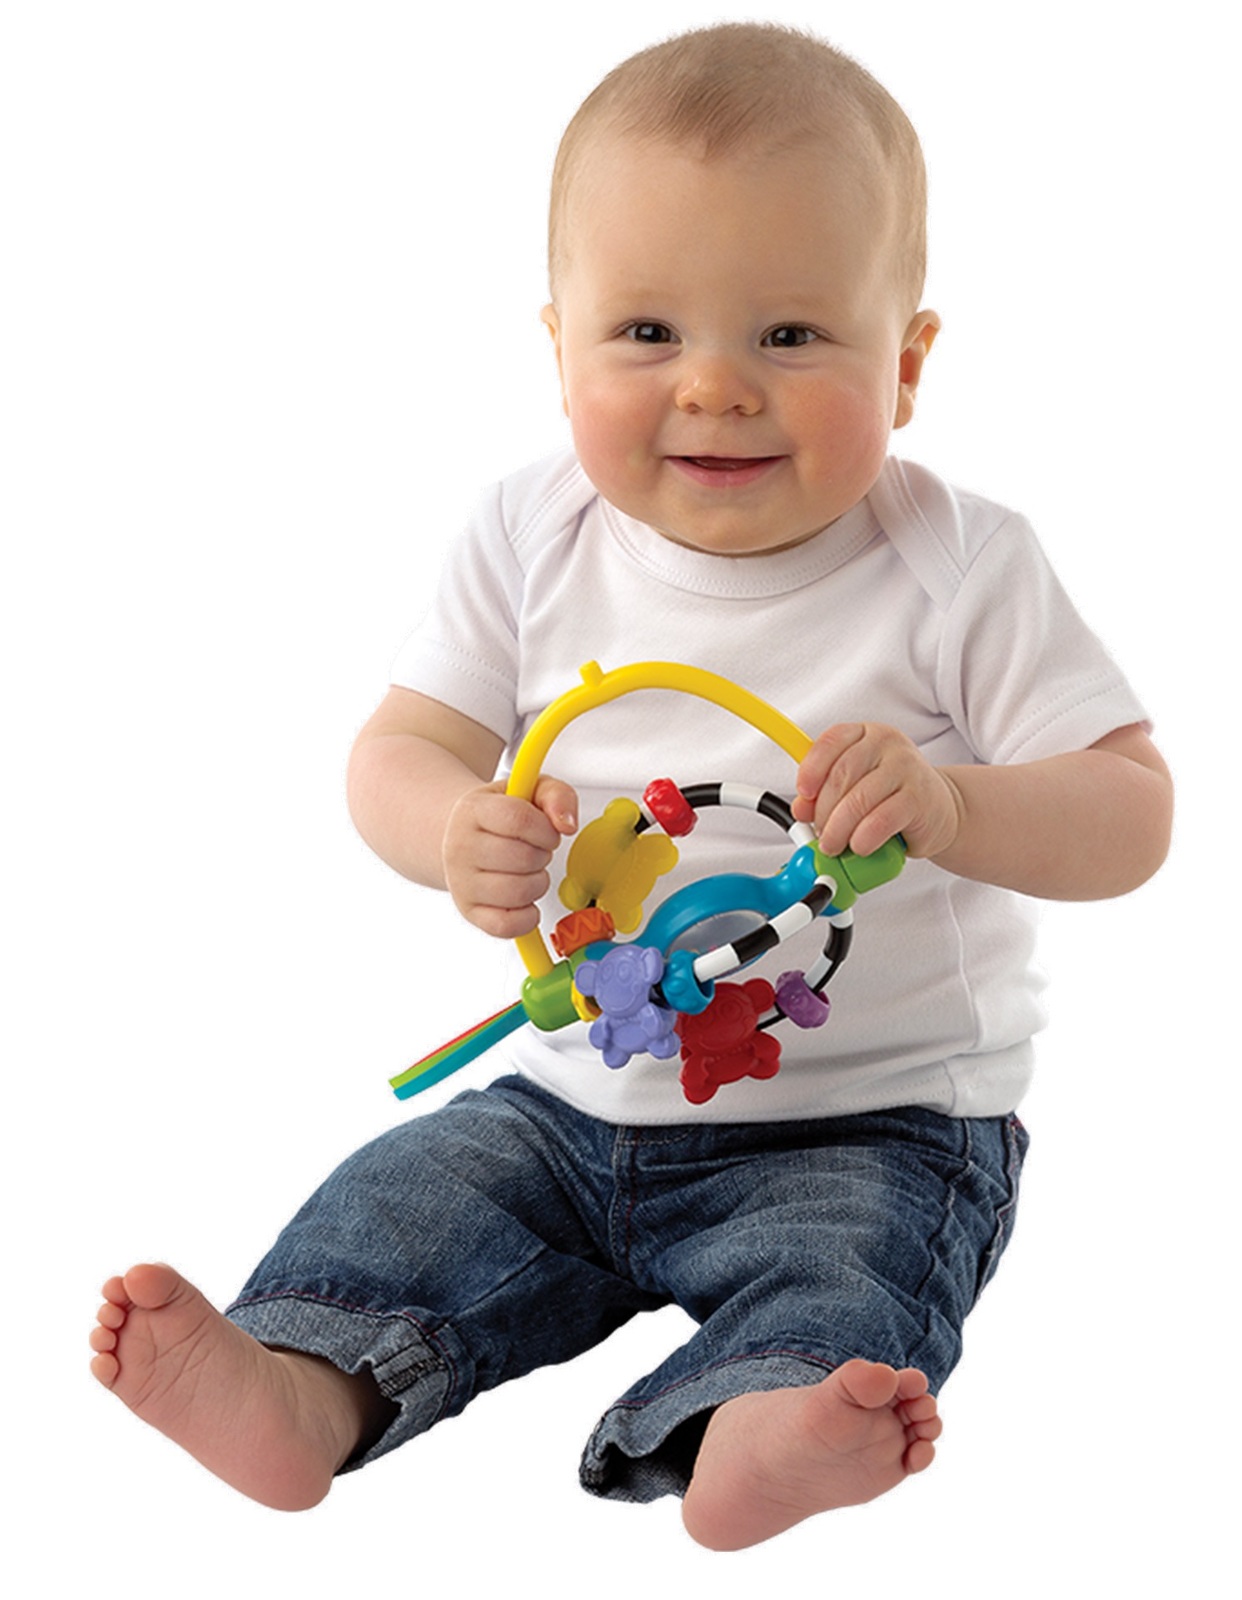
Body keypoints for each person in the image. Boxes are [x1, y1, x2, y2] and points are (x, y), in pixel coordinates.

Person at [89, 23, 1172, 1550]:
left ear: (907, 362)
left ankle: (757, 1424)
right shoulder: (529, 535)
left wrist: (952, 804)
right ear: (557, 347)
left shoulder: (959, 565)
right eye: (648, 333)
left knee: (849, 1270)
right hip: (570, 1098)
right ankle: (304, 1383)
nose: (716, 388)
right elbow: (395, 753)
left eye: (791, 337)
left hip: (865, 1118)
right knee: (420, 1194)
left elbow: (1133, 814)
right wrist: (445, 828)